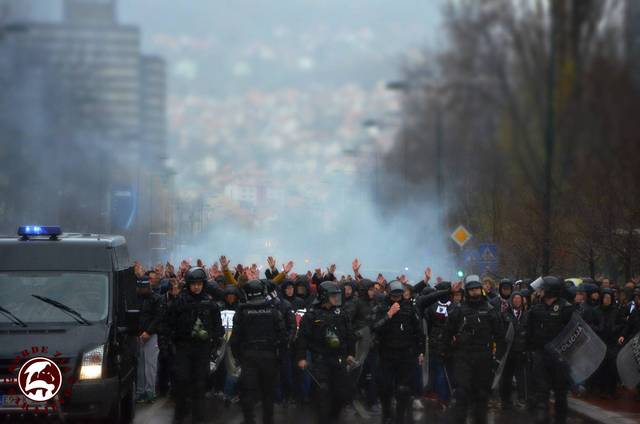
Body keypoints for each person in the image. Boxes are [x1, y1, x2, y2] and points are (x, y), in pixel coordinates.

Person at [168, 267, 224, 424]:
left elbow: (218, 326)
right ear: (188, 285)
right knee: (182, 380)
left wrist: (214, 340)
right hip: (183, 347)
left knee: (200, 383)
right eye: (193, 284)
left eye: (199, 283)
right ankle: (180, 413)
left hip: (202, 349)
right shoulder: (180, 301)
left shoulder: (210, 302)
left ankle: (199, 416)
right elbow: (169, 323)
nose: (197, 287)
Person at [295, 281, 357, 423]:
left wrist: (350, 354)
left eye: (337, 295)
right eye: (333, 295)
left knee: (341, 394)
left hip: (339, 359)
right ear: (324, 296)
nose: (336, 298)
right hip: (320, 360)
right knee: (322, 393)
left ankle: (334, 417)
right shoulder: (312, 315)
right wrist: (301, 357)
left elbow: (350, 335)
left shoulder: (341, 313)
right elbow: (302, 338)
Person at [446, 275, 502, 424]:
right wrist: (449, 352)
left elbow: (499, 335)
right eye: (472, 290)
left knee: (481, 395)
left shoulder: (490, 309)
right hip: (463, 357)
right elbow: (447, 332)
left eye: (477, 289)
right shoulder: (459, 310)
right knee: (462, 393)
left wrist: (497, 358)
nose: (475, 292)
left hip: (483, 357)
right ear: (467, 291)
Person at [230, 280, 287, 424]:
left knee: (248, 391)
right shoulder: (273, 310)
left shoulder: (242, 312)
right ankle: (268, 420)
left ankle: (249, 420)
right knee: (268, 393)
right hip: (269, 356)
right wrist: (279, 357)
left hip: (249, 357)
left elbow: (235, 339)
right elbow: (283, 336)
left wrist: (238, 358)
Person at [371, 280, 425, 424]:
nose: (396, 298)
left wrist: (420, 351)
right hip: (387, 353)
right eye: (394, 296)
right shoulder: (381, 307)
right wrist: (389, 315)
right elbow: (375, 327)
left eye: (399, 296)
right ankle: (387, 412)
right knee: (385, 386)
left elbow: (419, 332)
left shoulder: (410, 308)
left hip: (406, 353)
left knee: (403, 388)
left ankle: (400, 416)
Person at [527, 276, 574, 424]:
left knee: (560, 394)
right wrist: (529, 351)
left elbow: (574, 332)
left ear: (549, 290)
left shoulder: (566, 309)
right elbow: (529, 331)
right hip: (541, 356)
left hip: (560, 358)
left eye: (542, 288)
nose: (539, 291)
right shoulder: (536, 308)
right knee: (542, 393)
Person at [498, 291, 528, 409]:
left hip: (521, 351)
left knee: (521, 376)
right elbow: (501, 333)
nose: (517, 301)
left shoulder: (526, 314)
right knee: (507, 376)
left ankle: (522, 398)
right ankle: (505, 399)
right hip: (508, 351)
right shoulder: (505, 315)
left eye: (519, 299)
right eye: (515, 299)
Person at [135, 279, 163, 403]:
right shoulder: (137, 299)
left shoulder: (156, 299)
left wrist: (149, 332)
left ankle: (150, 391)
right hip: (138, 335)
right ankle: (140, 391)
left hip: (151, 335)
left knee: (150, 365)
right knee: (140, 365)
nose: (140, 290)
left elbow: (158, 317)